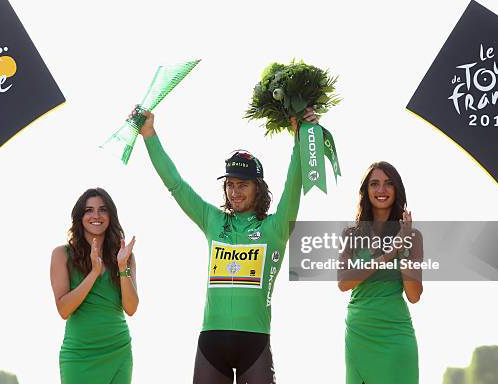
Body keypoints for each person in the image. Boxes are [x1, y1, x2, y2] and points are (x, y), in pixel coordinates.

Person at [137, 107, 317, 384]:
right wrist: (149, 135)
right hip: (212, 341)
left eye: (242, 185)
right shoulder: (213, 220)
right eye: (230, 185)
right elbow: (176, 185)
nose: (234, 191)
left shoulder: (274, 228)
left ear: (258, 188)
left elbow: (294, 184)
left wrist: (301, 137)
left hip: (254, 342)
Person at [338, 161, 423, 384]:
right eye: (374, 184)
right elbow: (344, 283)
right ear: (366, 191)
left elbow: (414, 295)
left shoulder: (413, 237)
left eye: (389, 184)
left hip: (396, 337)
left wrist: (403, 249)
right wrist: (389, 253)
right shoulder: (351, 235)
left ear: (397, 190)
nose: (381, 190)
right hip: (359, 335)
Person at [50, 188, 139, 384]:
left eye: (102, 210)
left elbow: (131, 308)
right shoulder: (61, 254)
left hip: (118, 351)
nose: (96, 216)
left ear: (110, 215)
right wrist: (94, 273)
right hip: (79, 356)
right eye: (89, 210)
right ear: (80, 217)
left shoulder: (124, 256)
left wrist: (122, 266)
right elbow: (64, 309)